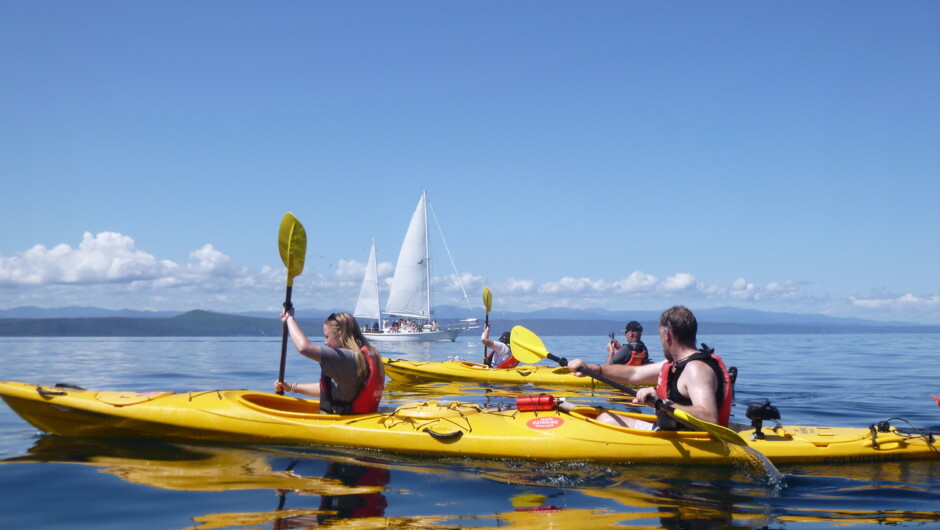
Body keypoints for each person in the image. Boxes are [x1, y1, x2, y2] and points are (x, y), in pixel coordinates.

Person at [568, 306, 732, 430]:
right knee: (606, 417)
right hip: (671, 432)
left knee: (606, 421)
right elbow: (633, 373)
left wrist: (660, 403)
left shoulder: (696, 369)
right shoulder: (672, 364)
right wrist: (592, 369)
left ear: (666, 335)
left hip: (691, 440)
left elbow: (709, 418)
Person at [275, 310, 385, 414]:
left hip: (344, 421)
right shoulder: (365, 356)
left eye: (327, 336)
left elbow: (304, 348)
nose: (325, 342)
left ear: (341, 335)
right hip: (361, 417)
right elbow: (328, 388)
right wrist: (292, 387)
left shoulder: (344, 358)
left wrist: (289, 318)